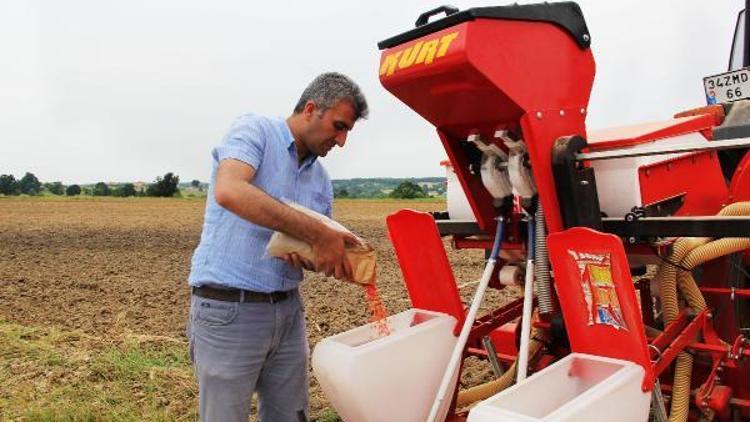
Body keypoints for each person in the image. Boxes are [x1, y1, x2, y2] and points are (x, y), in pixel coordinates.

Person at [186, 72, 368, 422]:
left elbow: (313, 246)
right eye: (339, 125)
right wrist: (317, 234)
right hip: (230, 308)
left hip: (287, 313)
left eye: (348, 132)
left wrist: (334, 257)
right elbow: (230, 190)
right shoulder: (256, 131)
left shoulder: (320, 178)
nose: (342, 141)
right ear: (312, 108)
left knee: (290, 415)